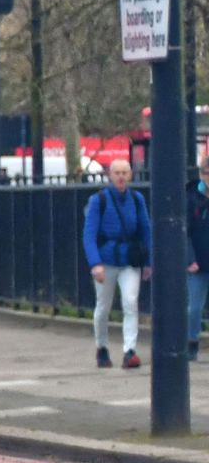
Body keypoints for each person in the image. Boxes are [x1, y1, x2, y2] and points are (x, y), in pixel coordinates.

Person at [84, 156, 151, 369]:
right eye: (117, 173)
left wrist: (148, 261)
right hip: (106, 261)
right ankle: (102, 347)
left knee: (130, 302)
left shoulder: (137, 199)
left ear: (130, 175)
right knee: (103, 306)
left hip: (129, 260)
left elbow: (146, 230)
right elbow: (89, 234)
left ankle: (129, 350)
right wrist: (95, 263)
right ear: (110, 176)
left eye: (125, 173)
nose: (121, 177)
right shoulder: (99, 200)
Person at [186, 169, 209, 363]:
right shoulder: (192, 198)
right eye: (207, 173)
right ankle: (192, 341)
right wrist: (190, 258)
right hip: (199, 262)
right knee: (194, 307)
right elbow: (185, 231)